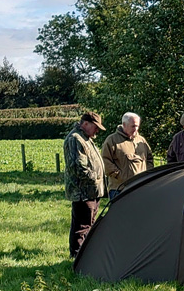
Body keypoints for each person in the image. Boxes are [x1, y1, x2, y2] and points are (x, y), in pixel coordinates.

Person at [64, 111, 107, 259]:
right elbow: (78, 168)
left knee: (89, 225)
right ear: (85, 123)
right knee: (82, 227)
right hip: (83, 192)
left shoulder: (85, 138)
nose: (97, 131)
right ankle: (77, 257)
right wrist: (95, 178)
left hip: (92, 191)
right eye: (95, 127)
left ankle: (85, 256)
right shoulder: (75, 139)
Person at [101, 112, 153, 198]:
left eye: (137, 126)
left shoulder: (142, 141)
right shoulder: (112, 140)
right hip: (119, 189)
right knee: (120, 212)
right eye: (133, 126)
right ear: (124, 125)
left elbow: (149, 159)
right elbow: (105, 161)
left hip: (140, 187)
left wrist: (147, 175)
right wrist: (120, 175)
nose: (136, 129)